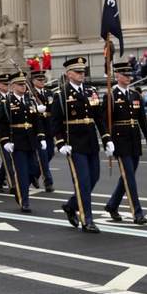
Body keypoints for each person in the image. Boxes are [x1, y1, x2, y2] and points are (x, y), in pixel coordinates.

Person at [49, 57, 113, 234]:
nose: (81, 74)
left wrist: (107, 139)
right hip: (75, 144)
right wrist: (60, 143)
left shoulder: (91, 92)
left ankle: (71, 205)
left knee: (94, 178)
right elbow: (55, 122)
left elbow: (99, 117)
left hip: (91, 142)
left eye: (83, 71)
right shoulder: (61, 95)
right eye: (78, 72)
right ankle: (87, 220)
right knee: (83, 182)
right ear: (69, 74)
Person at [104, 61, 147, 225]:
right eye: (125, 75)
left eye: (129, 75)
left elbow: (142, 121)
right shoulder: (110, 96)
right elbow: (105, 121)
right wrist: (107, 140)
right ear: (117, 76)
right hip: (120, 141)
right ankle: (137, 213)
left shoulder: (135, 95)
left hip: (134, 140)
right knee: (130, 178)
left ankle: (112, 205)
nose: (128, 77)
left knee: (126, 177)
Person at [0, 71, 45, 213]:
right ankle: (25, 201)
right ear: (13, 86)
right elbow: (2, 124)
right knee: (22, 173)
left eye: (24, 84)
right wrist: (5, 141)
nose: (23, 86)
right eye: (20, 84)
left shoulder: (30, 101)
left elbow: (37, 121)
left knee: (35, 168)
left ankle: (20, 190)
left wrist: (41, 137)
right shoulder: (7, 103)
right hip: (16, 141)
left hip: (30, 140)